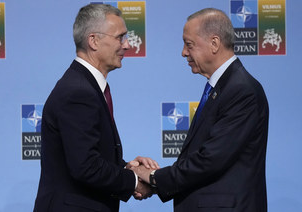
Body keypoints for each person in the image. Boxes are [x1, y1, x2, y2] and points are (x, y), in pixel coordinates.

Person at [131, 8, 269, 212]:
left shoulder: (241, 91)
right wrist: (153, 181)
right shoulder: (224, 88)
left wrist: (152, 177)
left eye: (189, 45)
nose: (183, 52)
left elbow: (211, 160)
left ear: (214, 43)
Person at [33, 4, 158, 212]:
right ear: (93, 41)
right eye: (120, 37)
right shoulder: (78, 92)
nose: (127, 45)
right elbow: (86, 166)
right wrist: (134, 181)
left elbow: (88, 155)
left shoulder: (84, 86)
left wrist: (125, 167)